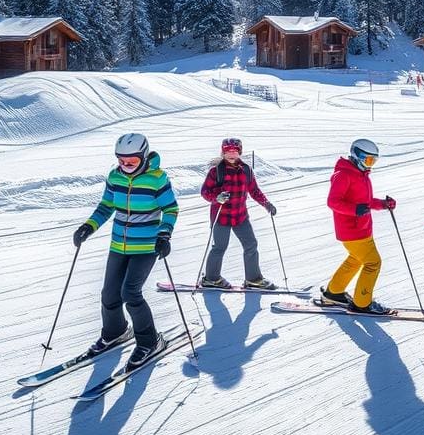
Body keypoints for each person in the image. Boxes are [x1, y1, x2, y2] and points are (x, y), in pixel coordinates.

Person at [73, 133, 178, 368]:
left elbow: (171, 209)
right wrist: (87, 227)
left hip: (146, 246)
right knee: (109, 294)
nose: (125, 166)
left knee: (130, 293)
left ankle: (150, 342)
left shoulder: (157, 179)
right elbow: (106, 206)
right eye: (121, 161)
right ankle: (116, 332)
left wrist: (164, 234)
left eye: (131, 162)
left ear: (143, 157)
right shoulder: (115, 177)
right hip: (118, 244)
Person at [321, 138, 396, 315]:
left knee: (355, 260)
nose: (370, 165)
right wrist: (355, 210)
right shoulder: (344, 174)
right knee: (373, 262)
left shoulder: (361, 175)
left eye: (373, 161)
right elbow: (333, 202)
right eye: (368, 160)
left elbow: (366, 202)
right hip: (352, 230)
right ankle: (362, 303)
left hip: (362, 228)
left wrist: (383, 204)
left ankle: (334, 293)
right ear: (357, 156)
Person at [200, 137, 277, 289]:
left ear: (239, 152)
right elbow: (205, 192)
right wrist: (218, 197)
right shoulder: (216, 171)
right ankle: (211, 278)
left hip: (240, 216)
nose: (231, 154)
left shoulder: (246, 170)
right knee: (219, 247)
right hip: (221, 217)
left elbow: (254, 190)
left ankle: (253, 279)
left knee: (251, 245)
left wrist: (266, 204)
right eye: (228, 151)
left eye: (234, 151)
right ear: (223, 153)